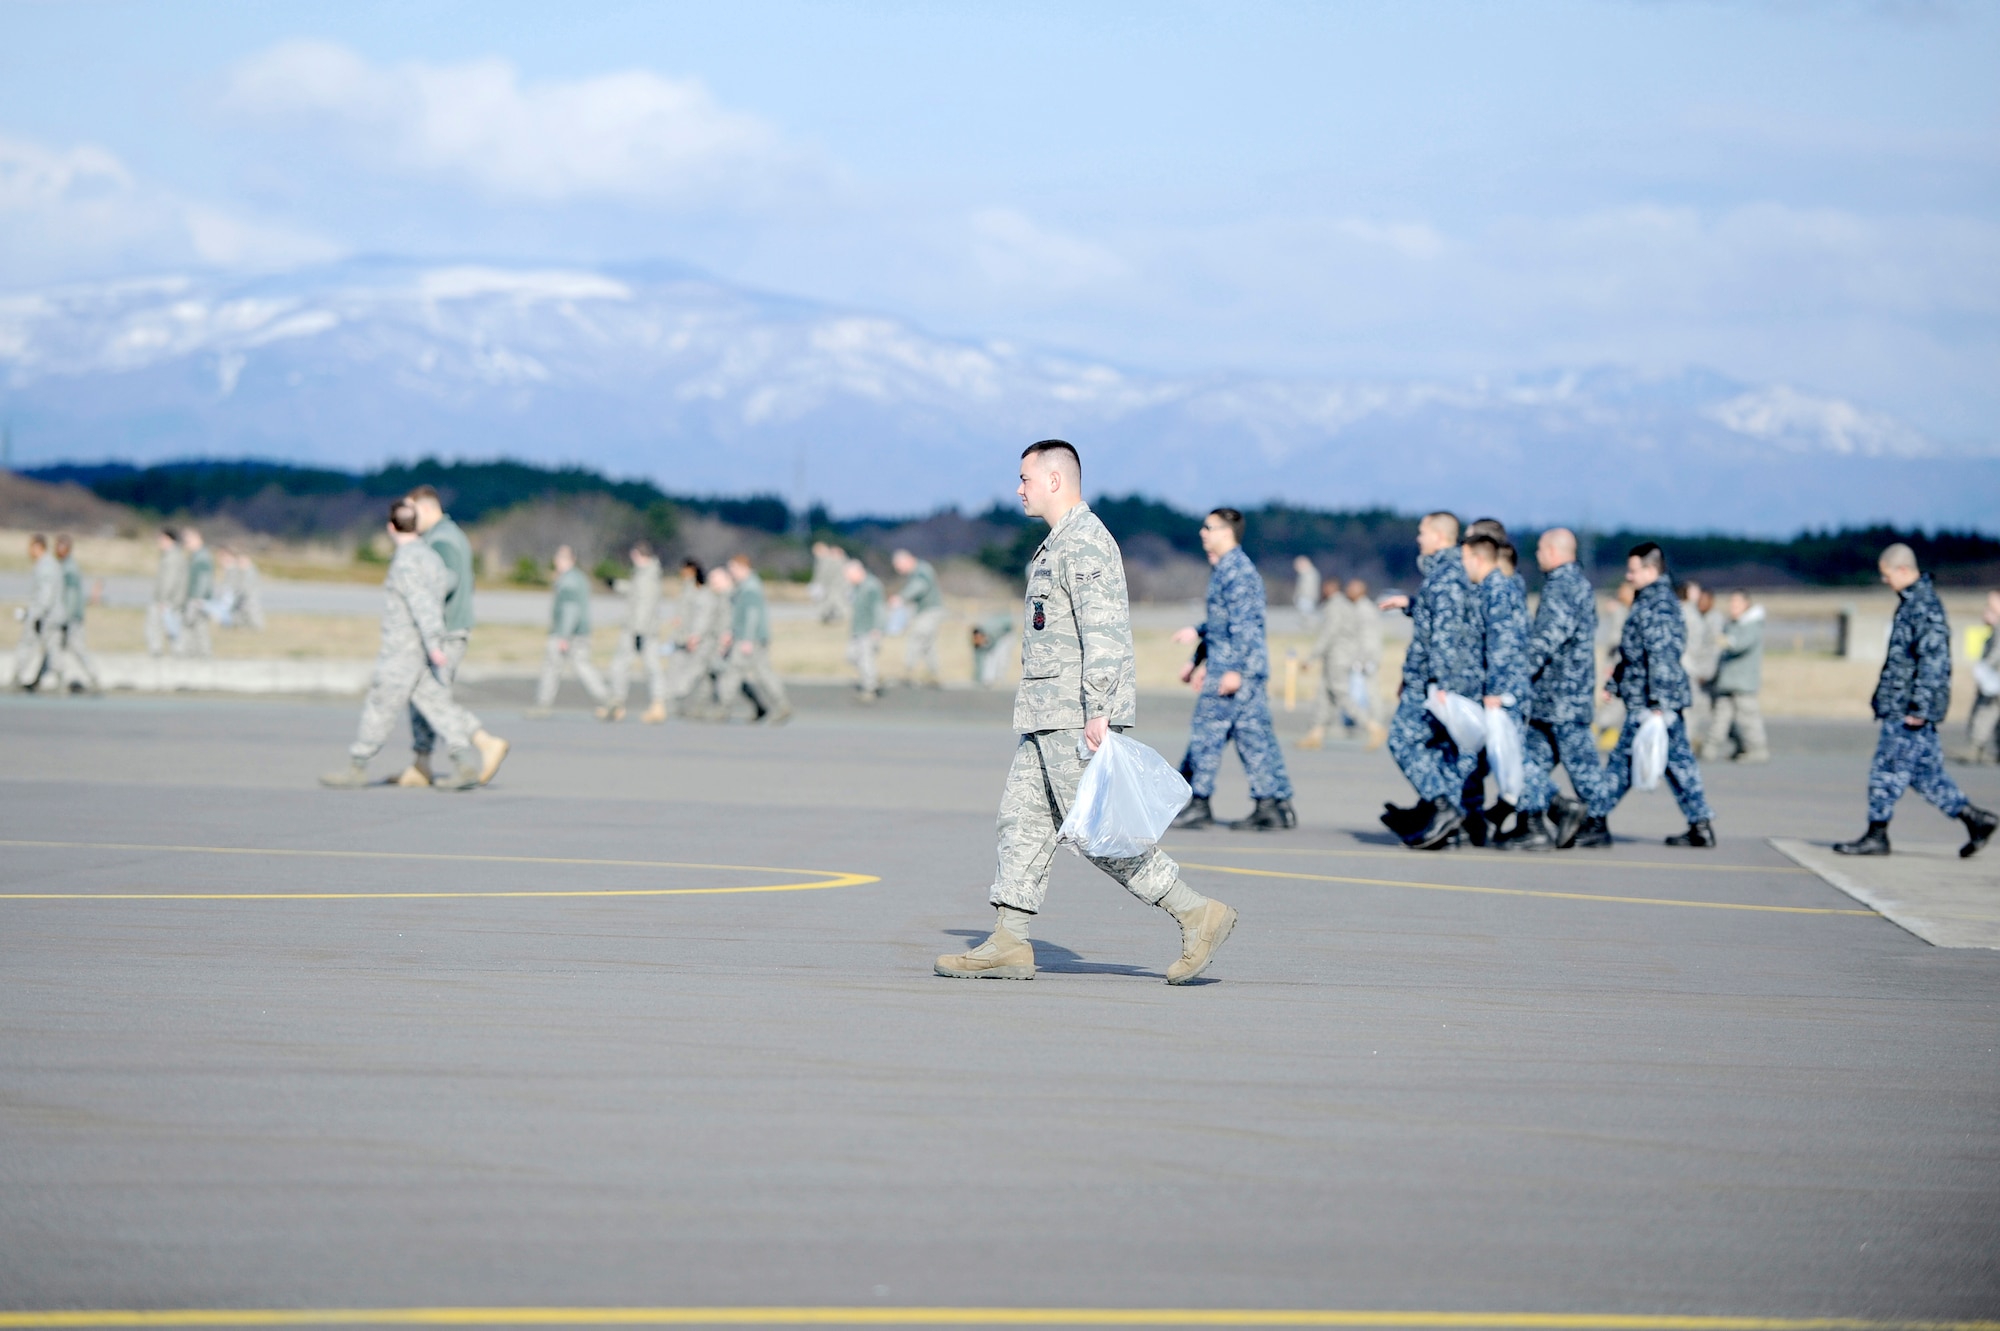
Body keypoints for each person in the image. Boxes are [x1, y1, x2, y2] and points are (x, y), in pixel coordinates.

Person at [935, 440, 1237, 986]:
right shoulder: (1059, 543)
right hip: (1047, 714)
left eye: (1025, 477)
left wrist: (1100, 710)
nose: (1019, 488)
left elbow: (1106, 633)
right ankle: (1009, 939)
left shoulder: (1086, 544)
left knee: (1100, 831)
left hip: (1076, 717)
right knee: (1022, 820)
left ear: (1054, 480)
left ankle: (1196, 911)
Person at [1833, 545, 1996, 858]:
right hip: (1901, 704)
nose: (1885, 581)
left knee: (1886, 770)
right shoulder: (1911, 603)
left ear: (1904, 570)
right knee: (1925, 776)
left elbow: (1934, 661)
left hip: (1908, 709)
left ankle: (1876, 835)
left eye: (1887, 574)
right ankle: (1975, 820)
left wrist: (1920, 708)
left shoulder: (1923, 606)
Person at [320, 500, 483, 791]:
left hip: (404, 649)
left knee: (380, 706)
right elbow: (444, 587)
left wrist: (433, 642)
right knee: (437, 706)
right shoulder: (431, 557)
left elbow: (420, 604)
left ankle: (357, 765)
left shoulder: (406, 560)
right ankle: (464, 762)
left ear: (391, 527)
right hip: (424, 649)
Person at [1168, 508, 1296, 832]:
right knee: (1254, 738)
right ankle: (1274, 804)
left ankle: (1199, 803)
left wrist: (1236, 670)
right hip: (1234, 668)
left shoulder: (1237, 571)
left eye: (1208, 527)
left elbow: (1245, 626)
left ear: (1226, 532)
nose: (1202, 532)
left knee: (1206, 735)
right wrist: (1197, 656)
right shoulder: (1227, 569)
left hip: (1233, 671)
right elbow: (1221, 624)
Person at [1380, 512, 1484, 850]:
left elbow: (1446, 634)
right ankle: (1448, 822)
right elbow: (1436, 617)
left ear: (1440, 536)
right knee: (1445, 753)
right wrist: (1410, 604)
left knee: (1403, 739)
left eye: (1422, 532)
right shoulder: (1448, 574)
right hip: (1437, 680)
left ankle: (1441, 806)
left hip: (1437, 683)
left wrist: (1438, 683)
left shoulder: (1447, 576)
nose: (1418, 538)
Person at [1600, 543, 1716, 847]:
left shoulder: (1658, 604)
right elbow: (1633, 652)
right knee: (1679, 764)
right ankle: (1700, 823)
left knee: (1623, 762)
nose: (1628, 575)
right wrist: (1615, 684)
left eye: (1634, 570)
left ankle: (1593, 818)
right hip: (1652, 698)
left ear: (1651, 570)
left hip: (1652, 701)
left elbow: (1662, 656)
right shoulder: (1648, 600)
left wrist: (1657, 705)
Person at [397, 487, 507, 785]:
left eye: (412, 511)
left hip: (445, 631)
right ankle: (421, 764)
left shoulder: (442, 541)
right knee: (426, 695)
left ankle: (483, 741)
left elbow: (445, 581)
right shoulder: (446, 535)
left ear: (427, 509)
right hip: (446, 628)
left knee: (431, 696)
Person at [1515, 529, 1615, 851]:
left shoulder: (1563, 587)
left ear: (1556, 551)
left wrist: (1515, 676)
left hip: (1562, 696)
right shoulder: (1575, 584)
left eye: (1541, 548)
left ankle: (1595, 823)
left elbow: (1545, 639)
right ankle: (1529, 818)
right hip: (1556, 695)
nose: (1538, 555)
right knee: (1530, 759)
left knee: (1581, 764)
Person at [1459, 523, 1531, 848]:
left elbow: (1502, 644)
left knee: (1510, 759)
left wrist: (1496, 691)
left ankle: (1551, 809)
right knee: (1487, 760)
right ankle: (1478, 819)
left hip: (1501, 694)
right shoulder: (1490, 587)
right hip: (1493, 690)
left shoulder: (1499, 588)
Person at [1299, 579, 1386, 750]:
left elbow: (1328, 634)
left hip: (1338, 657)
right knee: (1324, 696)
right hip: (1340, 656)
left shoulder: (1335, 606)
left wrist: (1311, 657)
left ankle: (1372, 726)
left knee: (1341, 695)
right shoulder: (1346, 605)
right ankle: (1315, 734)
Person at [530, 545, 611, 716]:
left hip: (566, 633)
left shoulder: (568, 580)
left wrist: (563, 636)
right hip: (580, 631)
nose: (557, 561)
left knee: (552, 668)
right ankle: (606, 698)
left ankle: (542, 705)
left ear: (569, 560)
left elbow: (570, 609)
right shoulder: (579, 578)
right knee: (583, 666)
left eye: (560, 558)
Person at [715, 554, 792, 724]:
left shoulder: (750, 588)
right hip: (749, 637)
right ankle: (781, 705)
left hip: (749, 639)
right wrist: (731, 632)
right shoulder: (746, 586)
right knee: (762, 672)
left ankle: (724, 707)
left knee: (734, 671)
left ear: (742, 567)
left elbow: (752, 616)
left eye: (733, 568)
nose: (731, 573)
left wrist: (747, 639)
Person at [603, 541, 668, 723]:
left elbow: (645, 606)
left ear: (639, 555)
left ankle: (655, 705)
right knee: (626, 665)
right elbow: (635, 592)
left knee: (645, 666)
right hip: (639, 628)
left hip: (641, 630)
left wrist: (639, 632)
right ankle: (617, 703)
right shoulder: (645, 574)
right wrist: (616, 585)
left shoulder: (647, 576)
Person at [1703, 590, 1770, 764]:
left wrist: (1722, 640)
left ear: (1746, 604)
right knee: (1720, 717)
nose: (1732, 607)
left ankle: (1758, 750)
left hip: (1744, 682)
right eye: (1731, 603)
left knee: (1748, 719)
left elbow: (1739, 644)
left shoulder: (1752, 625)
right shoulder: (1732, 624)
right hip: (1727, 681)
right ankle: (1709, 750)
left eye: (1736, 603)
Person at [662, 560, 723, 718]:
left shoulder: (703, 594)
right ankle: (688, 706)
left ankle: (678, 699)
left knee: (696, 673)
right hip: (683, 638)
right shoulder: (687, 591)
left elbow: (703, 617)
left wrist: (696, 635)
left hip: (700, 641)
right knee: (696, 674)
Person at [1954, 590, 2000, 764]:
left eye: (1991, 605)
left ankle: (1975, 748)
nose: (1987, 610)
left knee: (1984, 714)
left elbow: (1995, 655)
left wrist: (1986, 668)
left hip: (1995, 681)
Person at [13, 533, 63, 690]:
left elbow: (46, 594)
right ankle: (59, 679)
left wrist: (36, 614)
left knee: (30, 645)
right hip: (48, 615)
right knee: (52, 648)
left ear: (38, 547)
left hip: (44, 616)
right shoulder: (48, 564)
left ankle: (17, 677)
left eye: (30, 547)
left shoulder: (46, 565)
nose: (28, 551)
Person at [890, 549, 947, 687]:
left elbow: (919, 586)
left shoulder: (921, 570)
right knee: (927, 644)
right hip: (927, 611)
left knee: (916, 636)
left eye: (899, 567)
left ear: (907, 560)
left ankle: (907, 672)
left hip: (929, 611)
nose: (899, 571)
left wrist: (901, 597)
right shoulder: (918, 571)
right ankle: (934, 674)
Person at [53, 536, 99, 693]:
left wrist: (67, 617)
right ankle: (56, 679)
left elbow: (72, 595)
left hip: (70, 618)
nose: (57, 550)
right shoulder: (65, 565)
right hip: (66, 616)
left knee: (77, 648)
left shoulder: (69, 568)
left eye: (60, 547)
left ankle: (94, 677)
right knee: (54, 648)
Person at [846, 559, 886, 699]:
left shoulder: (871, 586)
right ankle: (873, 678)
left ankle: (870, 688)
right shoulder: (857, 587)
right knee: (851, 656)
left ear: (858, 572)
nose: (847, 578)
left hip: (869, 629)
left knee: (866, 659)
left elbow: (879, 608)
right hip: (857, 629)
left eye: (848, 574)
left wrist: (878, 628)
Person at [145, 528, 187, 657]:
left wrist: (163, 599)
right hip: (173, 600)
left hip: (168, 600)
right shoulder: (174, 555)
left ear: (170, 540)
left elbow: (170, 581)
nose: (159, 542)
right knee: (172, 626)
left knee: (160, 625)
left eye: (162, 539)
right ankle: (176, 651)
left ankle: (158, 650)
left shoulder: (172, 557)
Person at [180, 528, 215, 658]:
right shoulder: (196, 556)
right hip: (196, 597)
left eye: (189, 541)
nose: (186, 544)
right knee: (199, 626)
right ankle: (201, 652)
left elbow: (203, 579)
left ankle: (187, 652)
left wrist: (197, 597)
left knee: (189, 625)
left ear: (198, 539)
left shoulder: (202, 557)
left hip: (197, 598)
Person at [809, 541, 851, 625]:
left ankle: (844, 617)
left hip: (836, 585)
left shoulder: (830, 558)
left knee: (837, 601)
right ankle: (826, 616)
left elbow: (823, 574)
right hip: (831, 586)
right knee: (830, 602)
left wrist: (818, 584)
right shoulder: (826, 559)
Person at [971, 611, 1014, 688]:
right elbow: (978, 658)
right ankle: (988, 679)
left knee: (1001, 658)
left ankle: (999, 679)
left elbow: (996, 641)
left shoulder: (991, 631)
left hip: (1006, 635)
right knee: (990, 657)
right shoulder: (981, 636)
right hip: (997, 635)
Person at [1292, 555, 1322, 630]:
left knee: (1307, 614)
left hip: (1307, 597)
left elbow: (1307, 588)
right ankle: (1307, 628)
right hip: (1306, 597)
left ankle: (1310, 628)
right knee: (1304, 615)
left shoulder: (1309, 573)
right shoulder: (1308, 573)